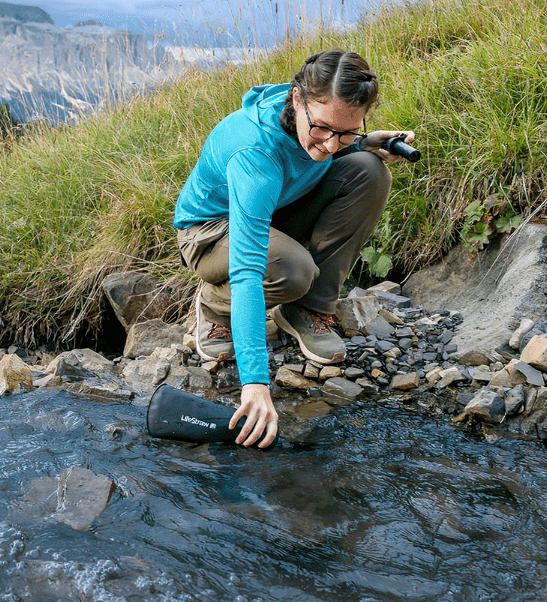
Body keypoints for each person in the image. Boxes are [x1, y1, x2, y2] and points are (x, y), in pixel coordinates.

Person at [172, 48, 415, 448]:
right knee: (291, 269)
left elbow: (324, 149)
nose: (332, 145)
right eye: (322, 128)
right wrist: (255, 385)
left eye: (347, 131)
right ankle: (215, 305)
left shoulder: (321, 130)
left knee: (370, 172)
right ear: (297, 99)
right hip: (211, 232)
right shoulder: (256, 153)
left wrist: (367, 143)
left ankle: (309, 309)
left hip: (276, 208)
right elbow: (250, 272)